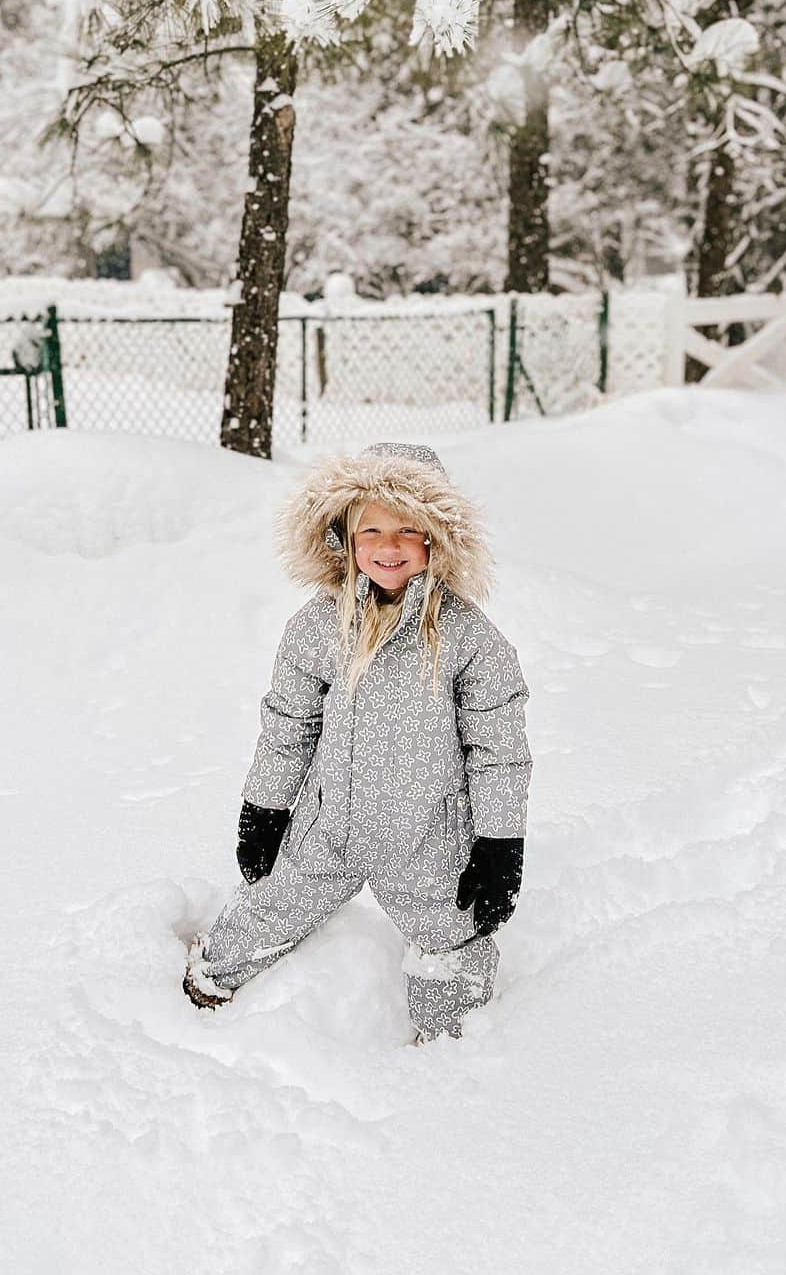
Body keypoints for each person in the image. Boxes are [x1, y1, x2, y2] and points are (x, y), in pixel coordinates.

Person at [183, 441, 532, 1042]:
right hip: (329, 823)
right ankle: (203, 989)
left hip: (428, 837)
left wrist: (500, 841)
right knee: (268, 906)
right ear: (342, 538)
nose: (388, 547)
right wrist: (265, 806)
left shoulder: (469, 636)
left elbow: (498, 747)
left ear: (437, 537)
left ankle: (451, 1053)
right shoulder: (319, 626)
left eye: (406, 529)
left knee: (453, 940)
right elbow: (288, 724)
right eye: (369, 529)